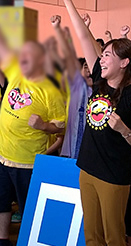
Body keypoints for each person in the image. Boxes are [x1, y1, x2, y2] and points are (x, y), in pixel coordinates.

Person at [64, 1, 131, 246]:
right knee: (92, 233)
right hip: (88, 168)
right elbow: (85, 37)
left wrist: (123, 128)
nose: (101, 59)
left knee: (114, 236)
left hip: (114, 176)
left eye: (108, 55)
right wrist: (68, 3)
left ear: (124, 62)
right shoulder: (99, 81)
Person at [0, 0, 66, 246]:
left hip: (28, 160)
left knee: (29, 209)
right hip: (2, 153)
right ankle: (4, 243)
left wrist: (43, 126)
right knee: (0, 203)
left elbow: (60, 126)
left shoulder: (51, 90)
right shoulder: (16, 72)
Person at [50, 15, 93, 159]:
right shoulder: (76, 86)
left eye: (91, 68)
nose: (88, 70)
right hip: (69, 151)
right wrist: (57, 28)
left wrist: (87, 29)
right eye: (85, 67)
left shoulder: (102, 92)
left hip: (90, 155)